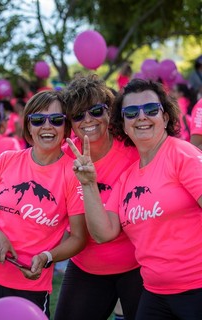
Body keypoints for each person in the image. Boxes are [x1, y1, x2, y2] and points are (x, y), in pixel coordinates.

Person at [67, 78, 202, 319]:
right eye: (131, 112)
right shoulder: (128, 177)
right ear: (123, 124)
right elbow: (103, 233)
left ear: (166, 117)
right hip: (155, 293)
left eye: (151, 110)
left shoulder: (182, 155)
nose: (141, 117)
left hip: (196, 289)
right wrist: (88, 183)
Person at [0, 90, 87, 319]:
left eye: (56, 120)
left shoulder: (73, 173)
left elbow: (79, 238)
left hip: (28, 284)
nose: (47, 126)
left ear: (65, 128)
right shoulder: (7, 159)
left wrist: (47, 257)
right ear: (28, 126)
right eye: (38, 119)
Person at [54, 73, 143, 320]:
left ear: (109, 111)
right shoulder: (63, 157)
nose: (88, 120)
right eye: (78, 115)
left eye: (95, 110)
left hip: (137, 266)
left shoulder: (134, 149)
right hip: (87, 266)